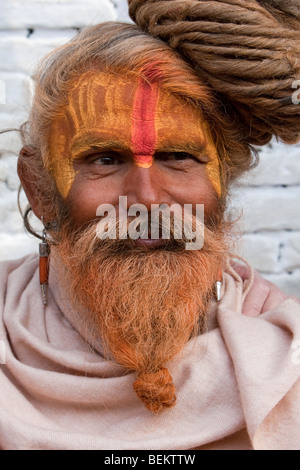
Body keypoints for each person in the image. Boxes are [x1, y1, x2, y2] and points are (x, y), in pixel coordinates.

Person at [0, 0, 300, 450]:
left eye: (179, 157)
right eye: (104, 159)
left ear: (223, 184)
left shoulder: (284, 359)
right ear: (40, 190)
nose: (147, 198)